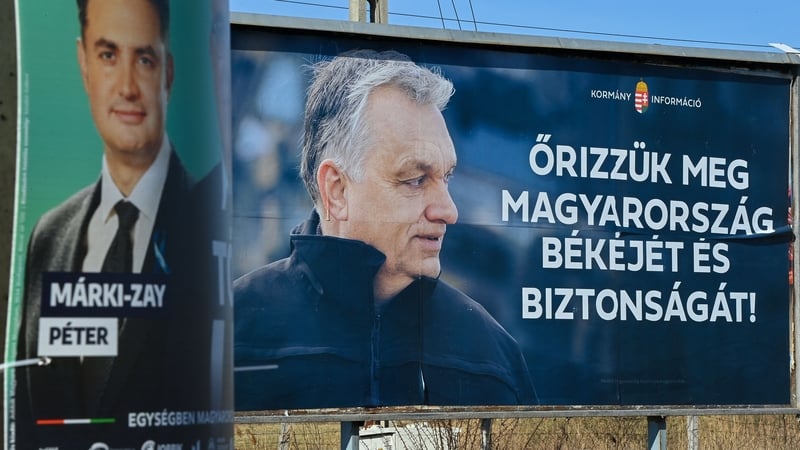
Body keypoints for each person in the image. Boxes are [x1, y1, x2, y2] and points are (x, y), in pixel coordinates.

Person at [234, 49, 537, 410]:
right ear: (337, 190)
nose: (449, 211)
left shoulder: (492, 351)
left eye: (447, 177)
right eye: (414, 179)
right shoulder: (231, 330)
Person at [14, 0, 215, 445]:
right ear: (83, 62)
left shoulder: (210, 225)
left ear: (168, 72)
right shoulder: (48, 235)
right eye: (108, 55)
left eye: (144, 58)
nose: (126, 86)